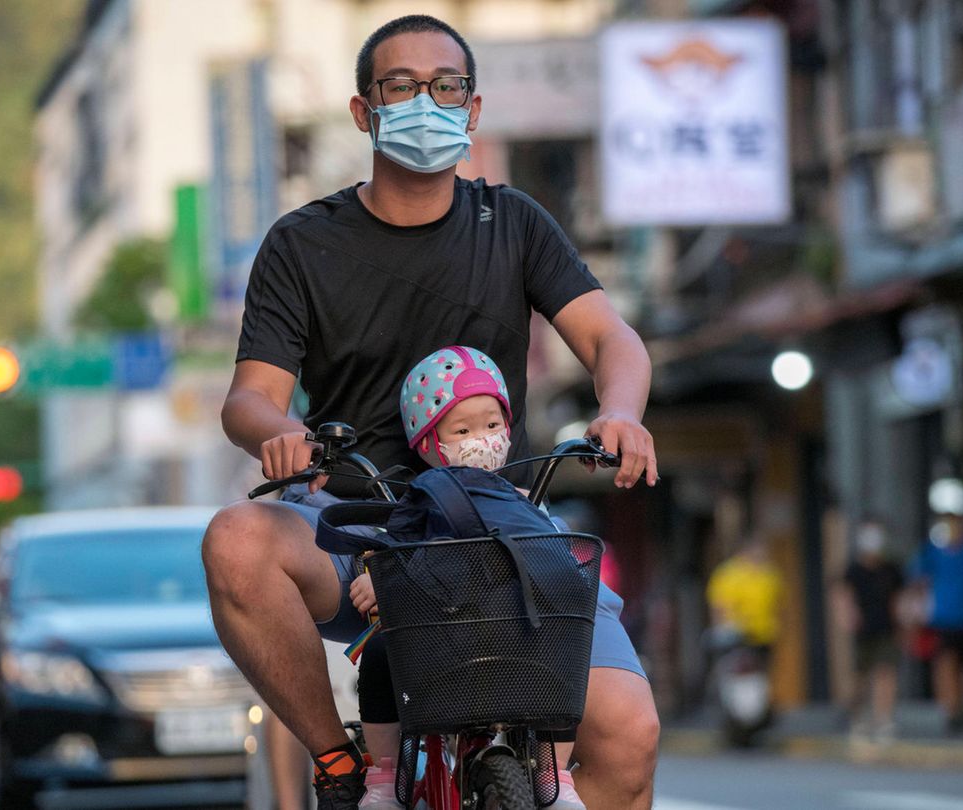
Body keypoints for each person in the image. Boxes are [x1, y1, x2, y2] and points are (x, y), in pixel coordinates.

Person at [202, 14, 660, 810]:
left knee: (630, 733)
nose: (427, 101)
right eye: (402, 86)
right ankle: (343, 768)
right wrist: (280, 435)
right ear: (363, 111)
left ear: (472, 110)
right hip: (359, 532)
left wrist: (622, 410)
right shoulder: (301, 244)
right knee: (236, 542)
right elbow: (250, 396)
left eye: (446, 87)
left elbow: (608, 336)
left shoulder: (513, 222)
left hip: (501, 529)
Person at [350, 346, 606, 810]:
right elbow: (398, 548)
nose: (481, 439)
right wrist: (381, 579)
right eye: (462, 430)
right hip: (450, 636)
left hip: (508, 631)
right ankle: (385, 778)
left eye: (492, 426)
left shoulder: (523, 501)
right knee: (381, 657)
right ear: (429, 443)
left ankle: (556, 776)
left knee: (565, 653)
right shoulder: (426, 497)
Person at [911, 481, 963, 731]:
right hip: (941, 618)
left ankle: (960, 707)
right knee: (945, 663)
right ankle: (950, 709)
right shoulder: (932, 551)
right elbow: (919, 579)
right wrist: (918, 610)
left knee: (961, 668)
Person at [838, 518, 904, 742]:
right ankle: (858, 719)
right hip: (863, 630)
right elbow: (843, 596)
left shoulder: (891, 569)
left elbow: (899, 599)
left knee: (886, 672)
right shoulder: (854, 570)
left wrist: (904, 626)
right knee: (860, 676)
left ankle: (884, 720)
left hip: (887, 628)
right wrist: (847, 616)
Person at [706, 536, 782, 655]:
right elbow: (718, 607)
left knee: (760, 669)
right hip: (737, 636)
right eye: (755, 551)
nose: (759, 554)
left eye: (761, 551)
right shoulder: (729, 574)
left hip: (764, 635)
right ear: (744, 551)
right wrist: (724, 629)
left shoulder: (769, 574)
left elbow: (778, 603)